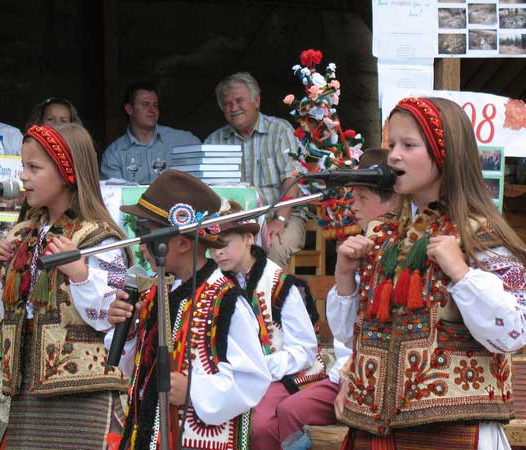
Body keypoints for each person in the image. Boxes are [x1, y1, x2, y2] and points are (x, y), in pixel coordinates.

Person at [329, 97, 526, 449]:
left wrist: (462, 274)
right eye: (392, 145)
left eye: (408, 145)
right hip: (375, 431)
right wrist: (345, 278)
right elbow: (352, 338)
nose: (393, 156)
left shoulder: (480, 235)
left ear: (444, 153)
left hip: (449, 431)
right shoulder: (382, 236)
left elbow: (514, 333)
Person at [0, 123, 131, 449]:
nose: (23, 176)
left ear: (68, 172)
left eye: (34, 167)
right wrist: (2, 276)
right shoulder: (24, 234)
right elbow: (14, 313)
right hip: (30, 396)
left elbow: (115, 312)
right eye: (23, 166)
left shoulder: (101, 238)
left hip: (84, 395)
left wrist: (80, 273)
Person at [106, 169, 271, 449]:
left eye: (147, 235)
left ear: (182, 242)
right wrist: (129, 330)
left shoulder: (226, 301)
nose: (142, 246)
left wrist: (194, 390)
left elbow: (253, 379)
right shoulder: (155, 293)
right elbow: (131, 367)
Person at [209, 200, 323, 449]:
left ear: (249, 238)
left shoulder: (280, 284)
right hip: (228, 375)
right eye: (212, 247)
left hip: (277, 373)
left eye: (224, 245)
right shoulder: (213, 284)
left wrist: (259, 368)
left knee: (261, 426)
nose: (217, 253)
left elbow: (304, 349)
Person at [205, 72, 305, 269]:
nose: (233, 108)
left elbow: (292, 180)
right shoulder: (214, 141)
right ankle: (227, 299)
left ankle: (267, 300)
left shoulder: (279, 130)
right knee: (208, 249)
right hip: (232, 224)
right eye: (227, 104)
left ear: (256, 101)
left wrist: (280, 219)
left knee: (274, 246)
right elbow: (206, 191)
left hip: (282, 216)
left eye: (239, 100)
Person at [100, 81, 201, 184]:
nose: (152, 110)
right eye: (145, 104)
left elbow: (206, 175)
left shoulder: (183, 140)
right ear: (129, 109)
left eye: (155, 105)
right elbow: (114, 195)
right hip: (134, 201)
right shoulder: (114, 154)